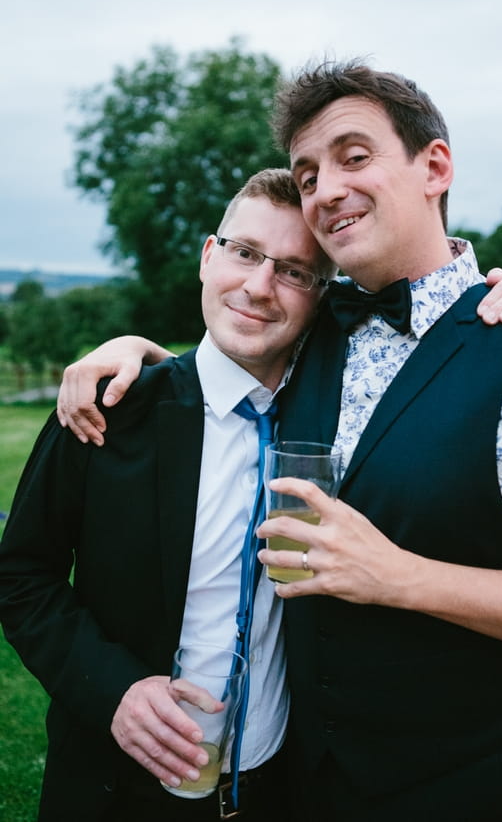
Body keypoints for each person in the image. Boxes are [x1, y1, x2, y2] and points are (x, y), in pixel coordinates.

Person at [54, 62, 502, 822]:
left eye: (353, 156)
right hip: (299, 788)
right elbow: (234, 335)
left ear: (433, 166)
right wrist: (135, 349)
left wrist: (401, 576)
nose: (325, 190)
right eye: (308, 175)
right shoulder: (313, 328)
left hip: (467, 794)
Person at [0, 168, 336, 822]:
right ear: (209, 257)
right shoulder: (108, 409)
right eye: (244, 253)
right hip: (117, 785)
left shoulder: (333, 417)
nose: (259, 286)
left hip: (281, 784)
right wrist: (114, 691)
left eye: (295, 271)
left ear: (321, 296)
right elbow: (20, 573)